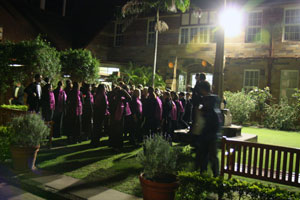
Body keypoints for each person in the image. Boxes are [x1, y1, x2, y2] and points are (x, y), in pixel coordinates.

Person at [195, 80, 221, 177]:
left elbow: (207, 114)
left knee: (208, 155)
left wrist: (201, 111)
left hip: (209, 132)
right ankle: (211, 174)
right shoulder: (214, 100)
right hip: (212, 132)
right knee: (209, 156)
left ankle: (208, 173)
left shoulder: (208, 101)